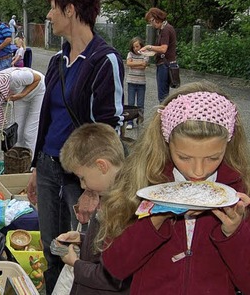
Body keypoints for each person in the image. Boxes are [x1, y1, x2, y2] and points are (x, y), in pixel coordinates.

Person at [100, 82, 250, 294]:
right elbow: (116, 265)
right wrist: (159, 216)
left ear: (229, 143)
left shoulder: (239, 191)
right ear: (166, 141)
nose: (198, 171)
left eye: (213, 158)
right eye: (184, 157)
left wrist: (234, 233)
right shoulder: (145, 182)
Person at [25, 0, 125, 293]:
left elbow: (110, 128)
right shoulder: (57, 61)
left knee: (86, 248)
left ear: (71, 10)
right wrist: (36, 168)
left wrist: (93, 191)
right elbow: (47, 118)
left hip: (79, 175)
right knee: (51, 246)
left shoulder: (104, 60)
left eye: (54, 7)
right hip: (48, 166)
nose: (49, 14)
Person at [56, 123, 130, 294]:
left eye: (82, 178)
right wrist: (83, 239)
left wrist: (76, 263)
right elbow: (105, 245)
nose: (82, 185)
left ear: (101, 166)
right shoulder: (109, 196)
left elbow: (111, 277)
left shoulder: (122, 209)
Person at [141, 7, 177, 103]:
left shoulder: (166, 29)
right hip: (164, 63)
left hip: (165, 65)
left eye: (151, 21)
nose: (151, 24)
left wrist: (149, 47)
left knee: (163, 96)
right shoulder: (163, 29)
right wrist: (149, 52)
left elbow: (163, 48)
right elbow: (160, 49)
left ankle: (163, 115)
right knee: (163, 94)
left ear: (156, 18)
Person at [125, 36, 148, 129]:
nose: (135, 49)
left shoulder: (145, 54)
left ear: (141, 46)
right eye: (134, 47)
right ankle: (129, 122)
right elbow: (128, 64)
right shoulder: (130, 54)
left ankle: (140, 121)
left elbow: (144, 65)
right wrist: (139, 63)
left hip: (141, 82)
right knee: (130, 103)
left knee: (140, 103)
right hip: (131, 81)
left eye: (137, 46)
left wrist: (133, 64)